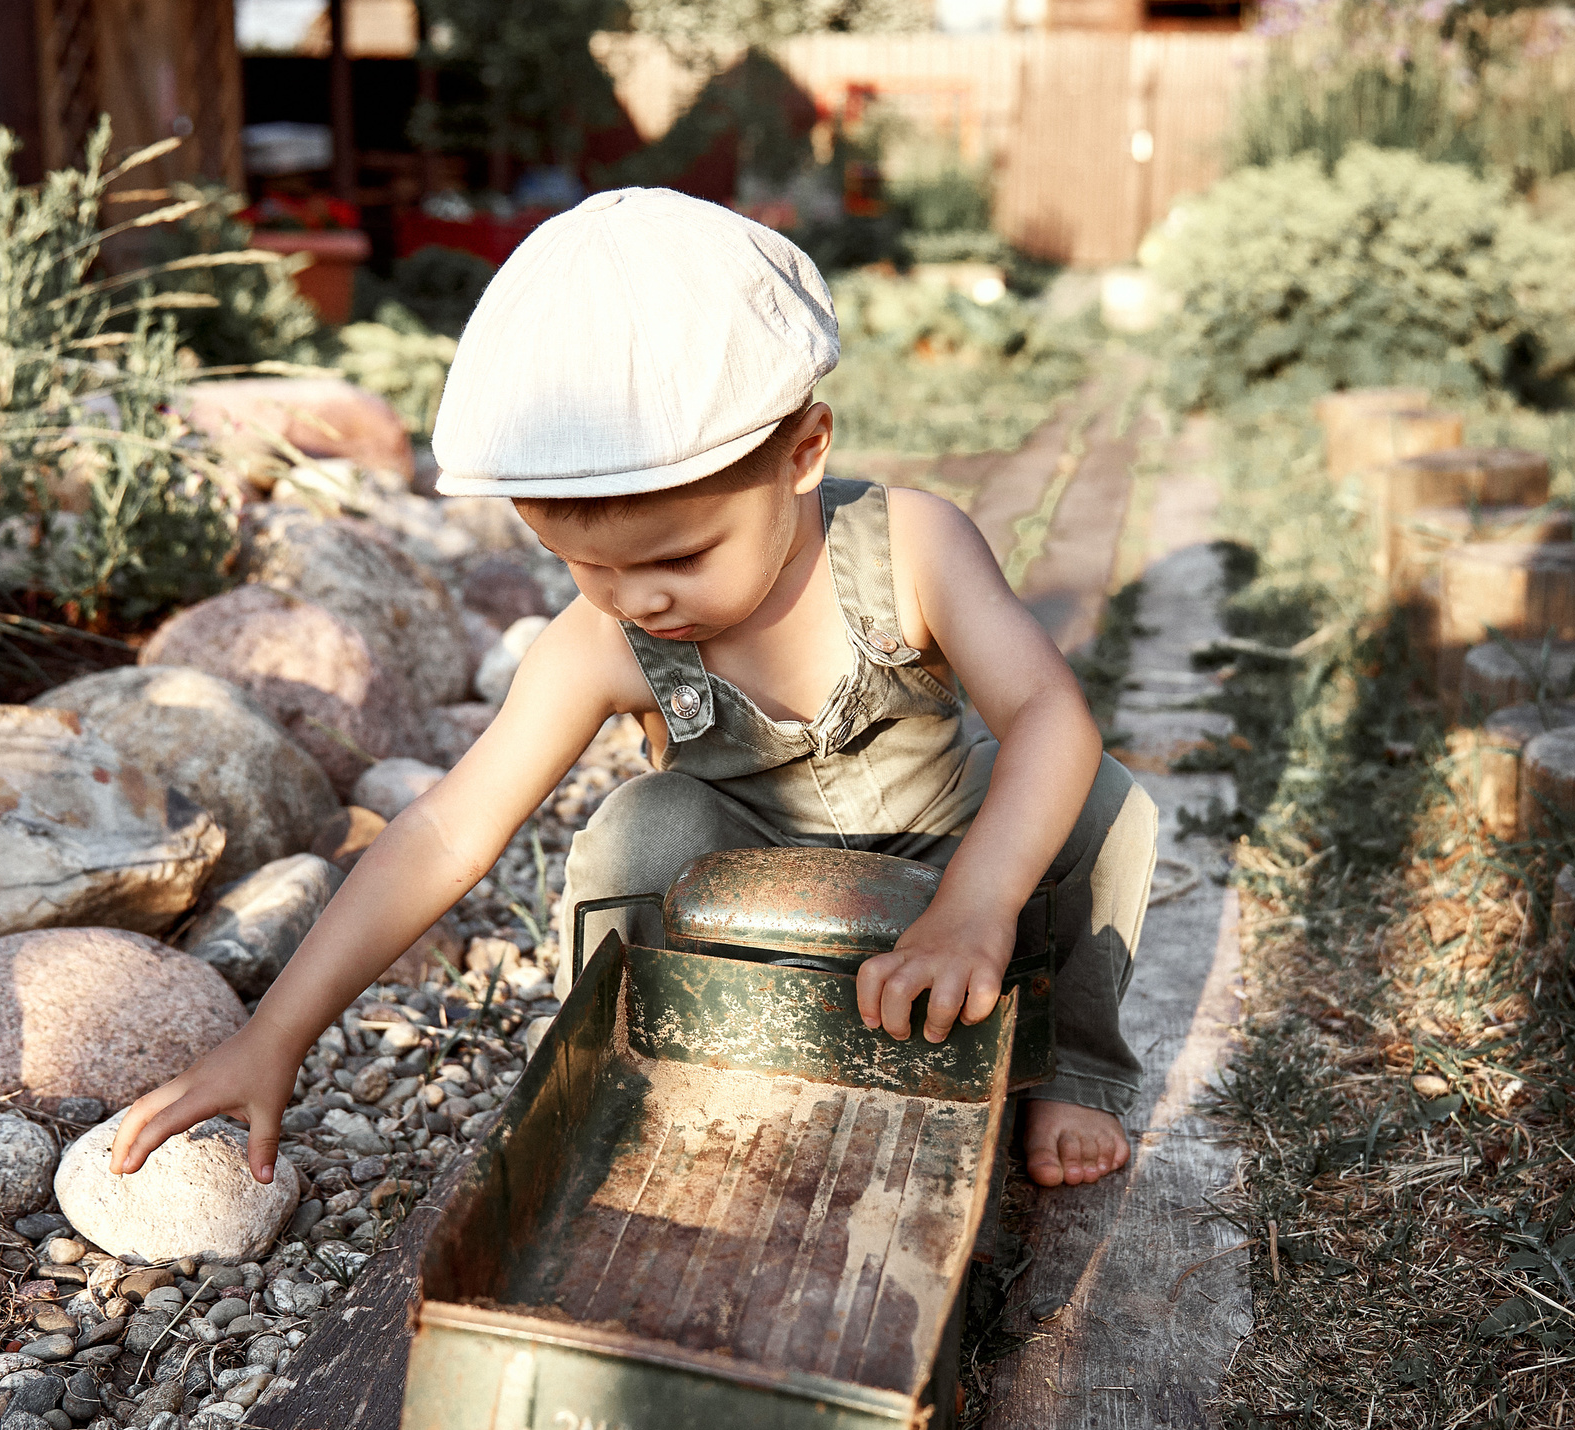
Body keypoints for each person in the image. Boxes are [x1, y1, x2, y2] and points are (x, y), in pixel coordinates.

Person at [112, 188, 1156, 1191]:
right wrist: (273, 1034)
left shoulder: (911, 545)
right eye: (586, 565)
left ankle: (1069, 1068)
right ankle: (623, 1064)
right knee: (638, 826)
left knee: (1098, 800)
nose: (638, 599)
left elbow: (1045, 715)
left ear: (803, 452)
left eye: (681, 556)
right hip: (748, 893)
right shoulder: (598, 640)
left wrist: (977, 905)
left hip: (947, 855)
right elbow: (441, 834)